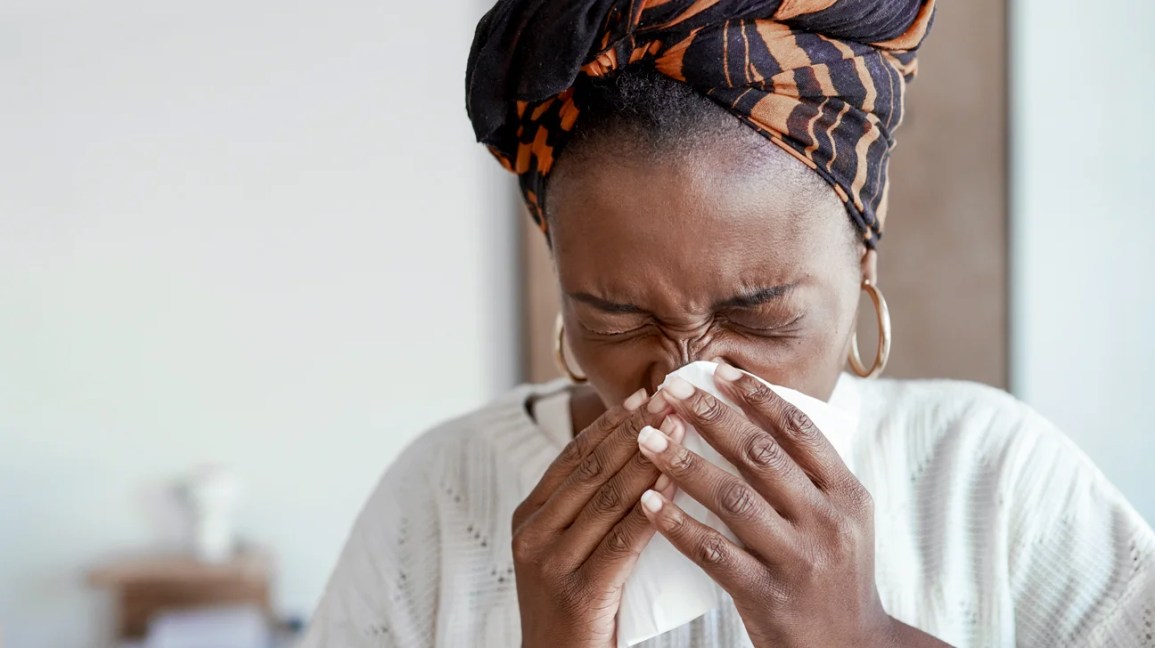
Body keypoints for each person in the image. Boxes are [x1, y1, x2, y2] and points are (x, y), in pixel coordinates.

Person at [300, 0, 1155, 646]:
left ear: (862, 253)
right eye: (615, 315)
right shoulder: (444, 493)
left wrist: (860, 636)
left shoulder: (991, 475)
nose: (683, 374)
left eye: (761, 312)